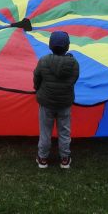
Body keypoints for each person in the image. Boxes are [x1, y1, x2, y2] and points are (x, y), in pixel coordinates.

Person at [33, 31, 80, 169]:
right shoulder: (74, 63)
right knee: (64, 131)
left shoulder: (43, 61)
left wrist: (38, 89)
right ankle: (65, 159)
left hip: (46, 102)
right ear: (68, 46)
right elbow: (73, 80)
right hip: (64, 103)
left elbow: (37, 78)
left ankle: (42, 158)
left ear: (50, 46)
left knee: (45, 131)